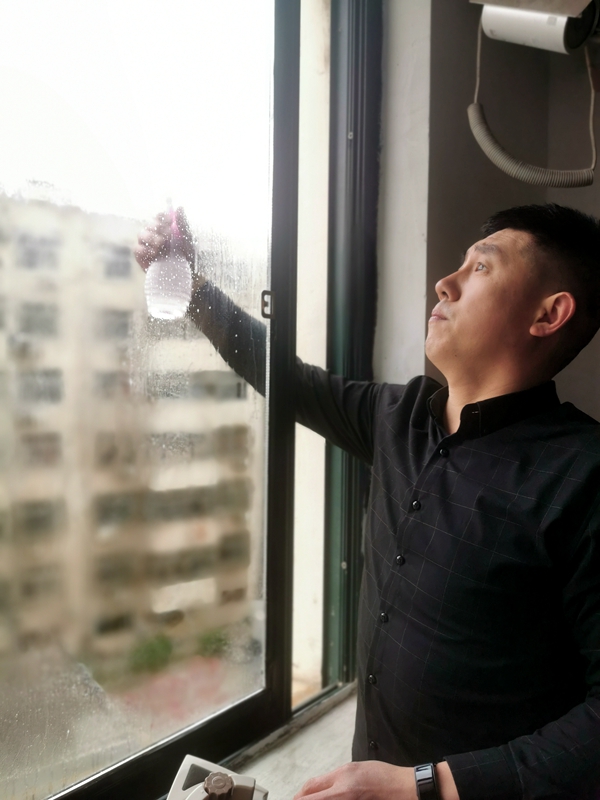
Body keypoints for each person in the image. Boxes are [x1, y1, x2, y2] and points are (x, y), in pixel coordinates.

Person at [136, 203, 600, 800]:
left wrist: (422, 787)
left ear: (549, 313)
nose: (446, 282)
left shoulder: (583, 476)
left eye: (481, 267)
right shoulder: (398, 417)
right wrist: (191, 286)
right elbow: (287, 379)